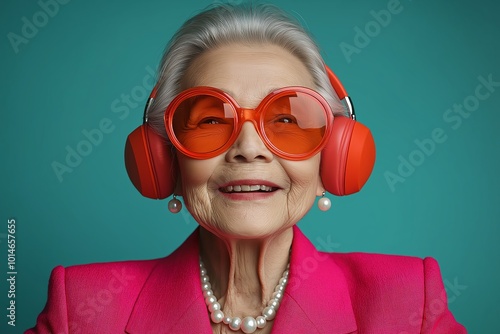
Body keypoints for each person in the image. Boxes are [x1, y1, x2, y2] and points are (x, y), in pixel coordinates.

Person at [26, 2, 466, 333]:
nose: (249, 149)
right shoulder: (82, 309)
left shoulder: (409, 300)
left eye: (288, 120)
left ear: (333, 156)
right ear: (163, 159)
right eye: (211, 120)